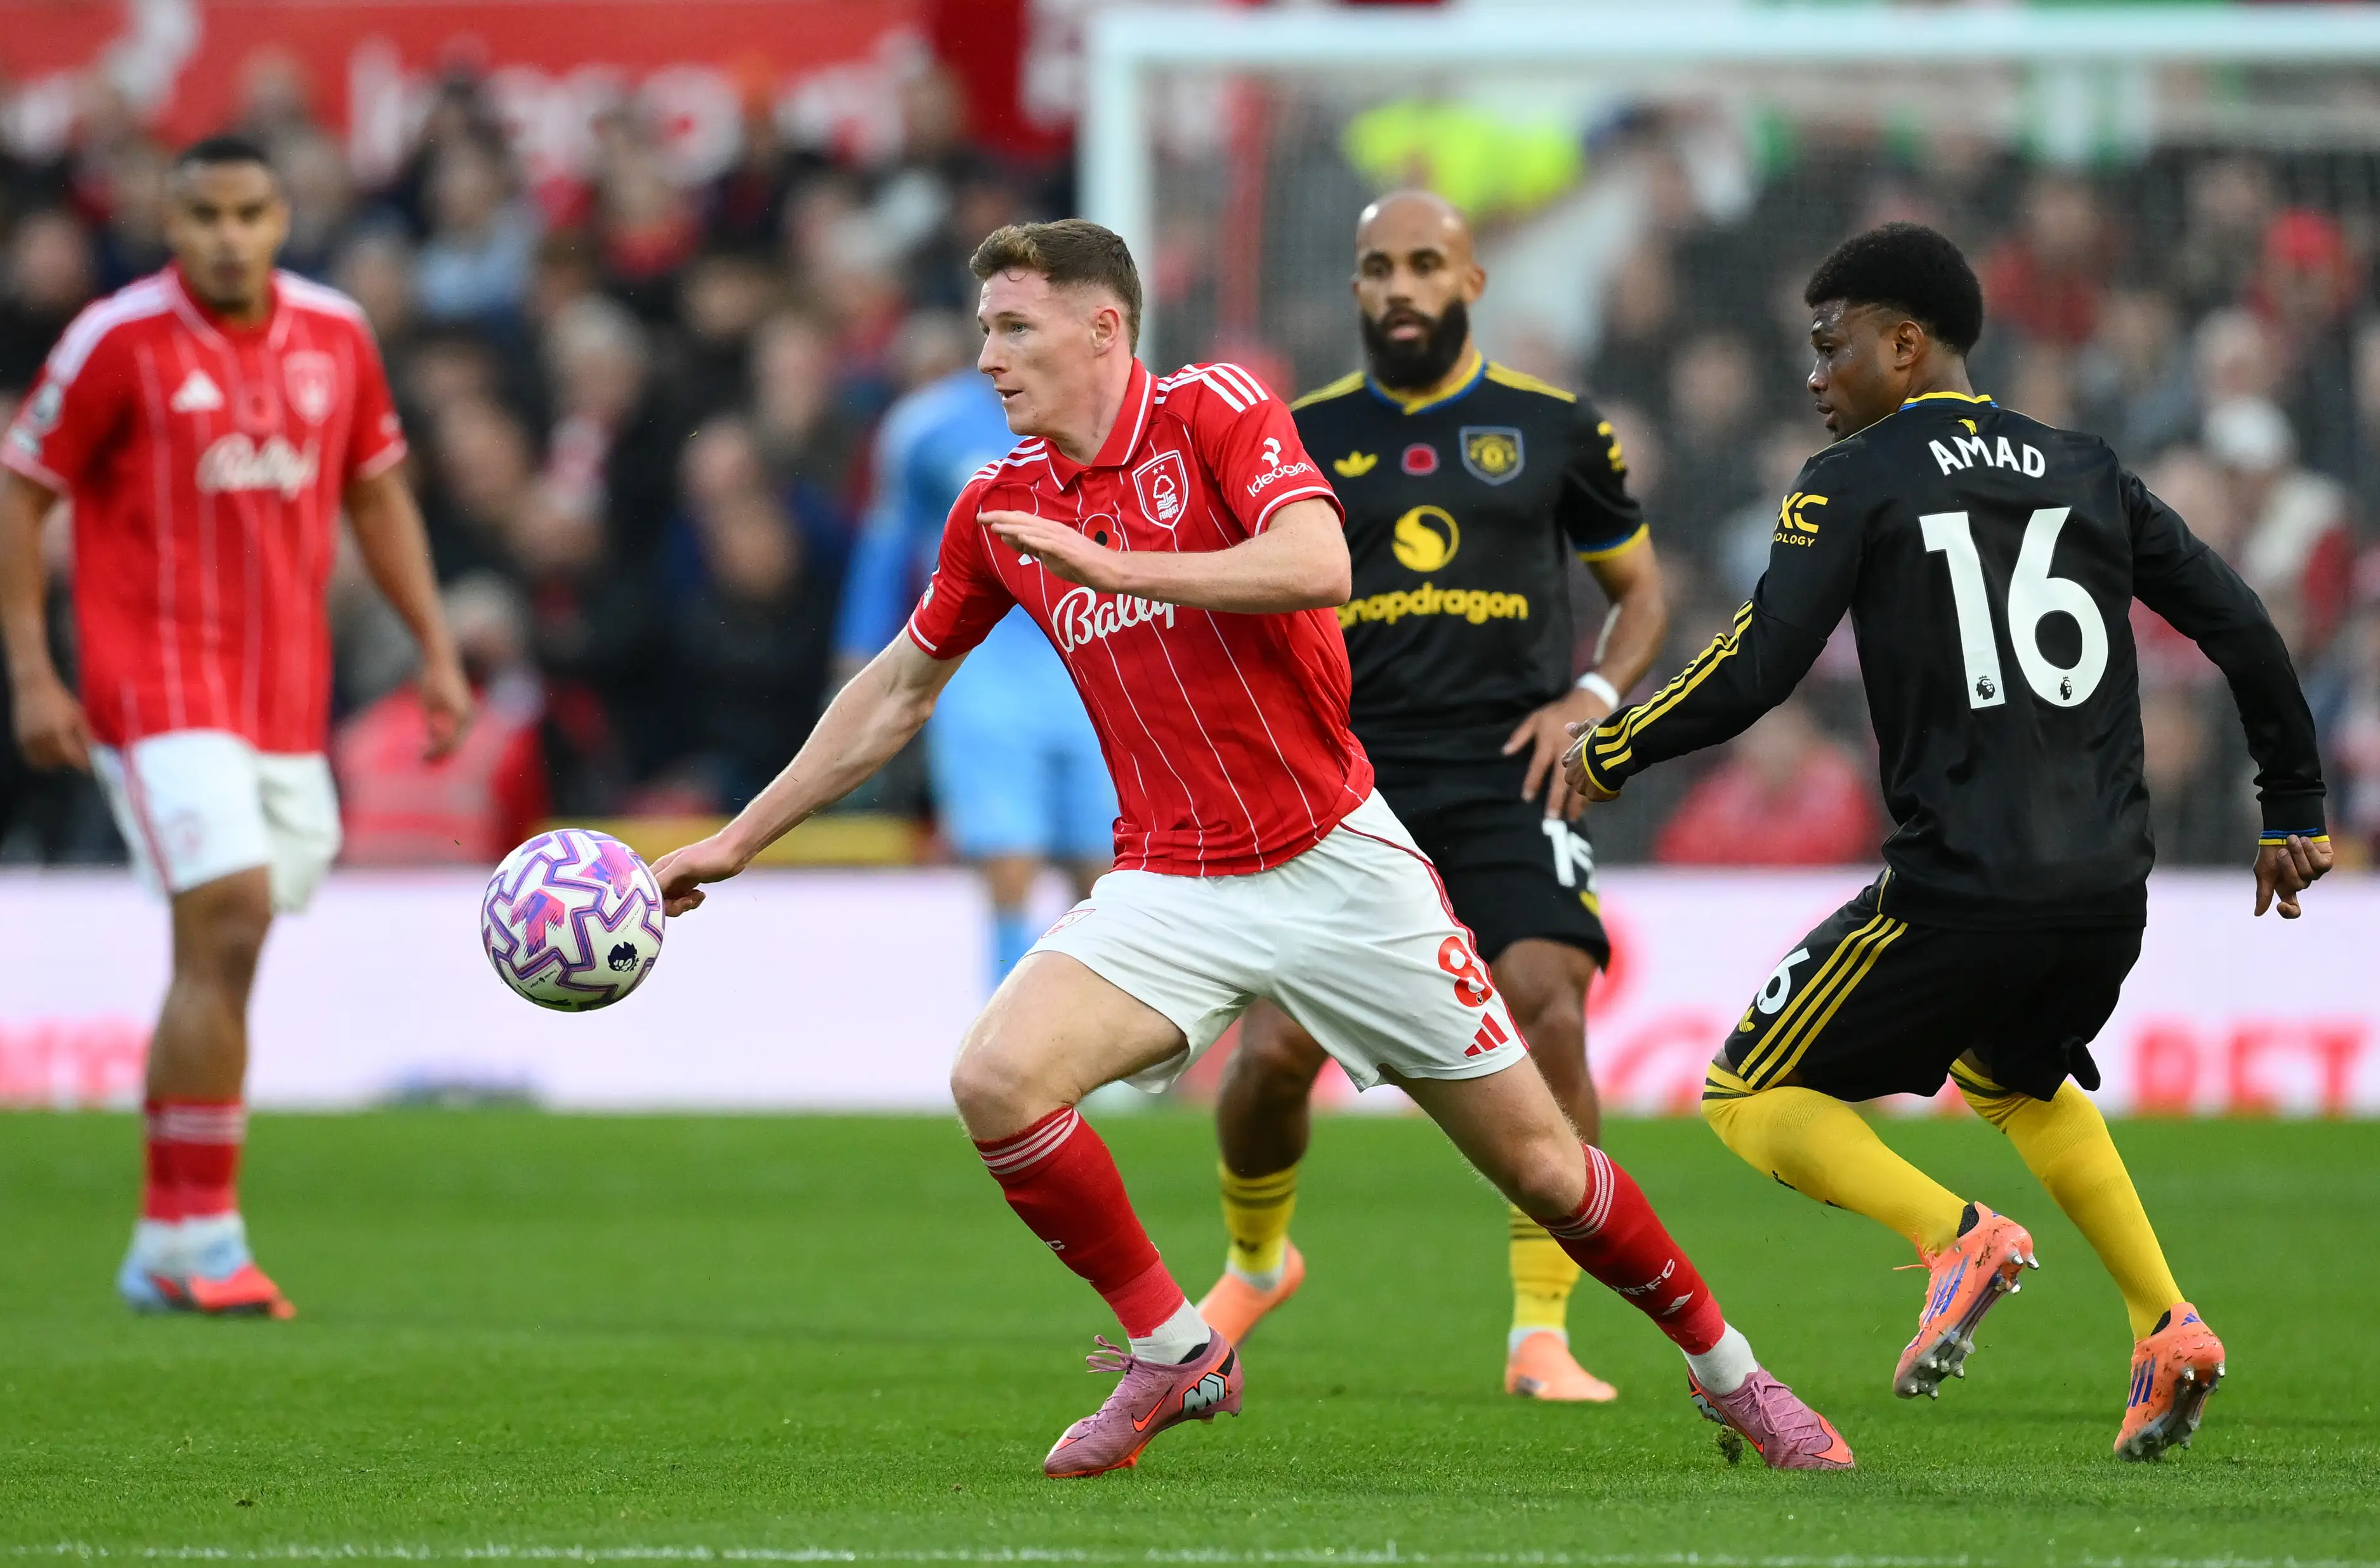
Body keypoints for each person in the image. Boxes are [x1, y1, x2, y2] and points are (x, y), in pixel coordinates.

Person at [655, 218, 1850, 1477]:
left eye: (1013, 328)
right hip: (1171, 880)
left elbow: (1318, 562)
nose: (988, 357)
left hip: (1336, 861)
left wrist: (1119, 564)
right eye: (985, 329)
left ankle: (1735, 1375)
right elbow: (899, 690)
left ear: (1103, 327)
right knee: (997, 1081)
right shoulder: (998, 503)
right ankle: (1174, 1347)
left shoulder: (1215, 410)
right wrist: (737, 841)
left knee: (1549, 1165)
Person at [1565, 221, 2332, 1463]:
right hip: (2107, 889)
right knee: (2014, 1078)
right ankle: (2168, 1322)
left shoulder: (1854, 477)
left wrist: (1612, 748)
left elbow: (1760, 663)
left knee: (1746, 1091)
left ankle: (1952, 1234)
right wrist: (2292, 804)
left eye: (1833, 347)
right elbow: (2241, 622)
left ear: (1908, 344)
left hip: (1964, 882)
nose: (1815, 374)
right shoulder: (2087, 466)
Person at [0, 135, 473, 1317]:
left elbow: (376, 494)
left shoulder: (337, 335)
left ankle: (170, 1238)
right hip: (154, 683)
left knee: (226, 950)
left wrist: (436, 647)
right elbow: (18, 491)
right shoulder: (116, 341)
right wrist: (32, 674)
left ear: (281, 218)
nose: (227, 237)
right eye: (204, 215)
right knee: (231, 914)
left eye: (249, 213)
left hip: (284, 700)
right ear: (170, 222)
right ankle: (201, 1237)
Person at [1197, 191, 1668, 1406]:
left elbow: (1642, 594)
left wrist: (1593, 696)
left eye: (1423, 264)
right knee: (1273, 1054)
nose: (1399, 287)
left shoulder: (1555, 428)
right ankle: (1258, 1262)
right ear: (1357, 288)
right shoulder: (1297, 437)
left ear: (1471, 281)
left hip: (1512, 766)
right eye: (1377, 268)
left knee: (1548, 1005)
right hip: (1347, 774)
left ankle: (1542, 1331)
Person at [835, 351, 1115, 986]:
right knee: (1008, 860)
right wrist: (857, 651)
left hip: (1090, 659)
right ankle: (1005, 1014)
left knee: (1104, 867)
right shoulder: (926, 426)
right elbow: (886, 544)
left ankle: (1098, 1025)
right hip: (982, 668)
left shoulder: (1103, 416)